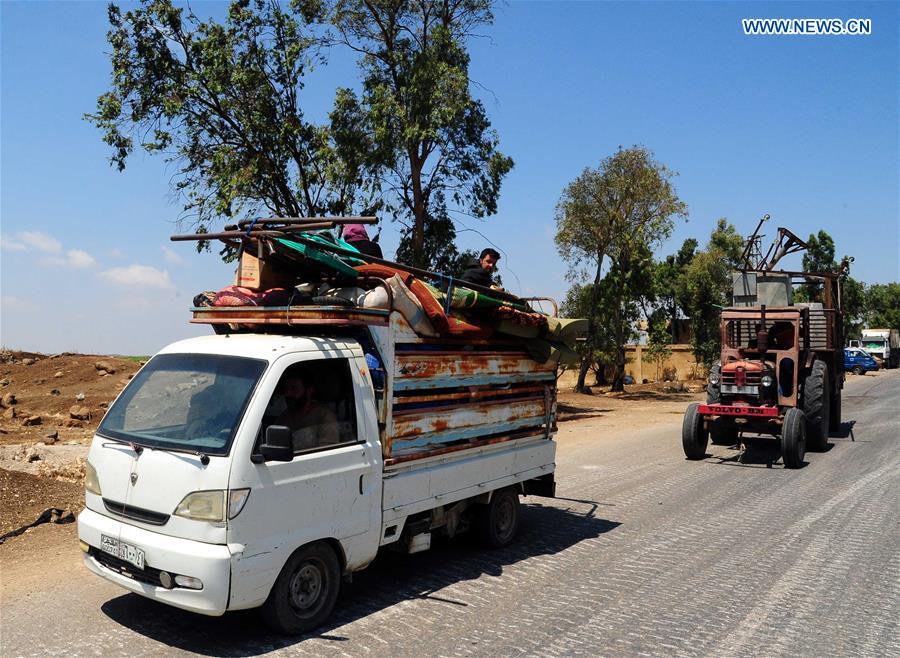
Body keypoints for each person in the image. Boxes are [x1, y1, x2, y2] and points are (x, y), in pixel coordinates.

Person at [276, 370, 339, 451]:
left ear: (309, 391)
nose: (287, 393)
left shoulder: (325, 417)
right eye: (286, 389)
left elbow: (327, 454)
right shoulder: (285, 416)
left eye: (294, 388)